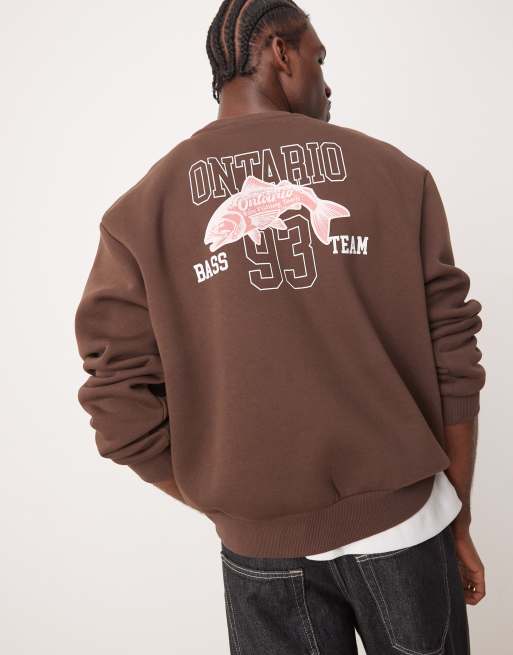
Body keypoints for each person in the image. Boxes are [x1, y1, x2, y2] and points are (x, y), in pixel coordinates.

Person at [74, 1, 487, 652]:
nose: (327, 82)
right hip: (405, 527)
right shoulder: (398, 176)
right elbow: (454, 360)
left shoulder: (138, 213)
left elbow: (114, 397)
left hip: (257, 551)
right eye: (318, 59)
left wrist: (227, 499)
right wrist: (456, 517)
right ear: (281, 53)